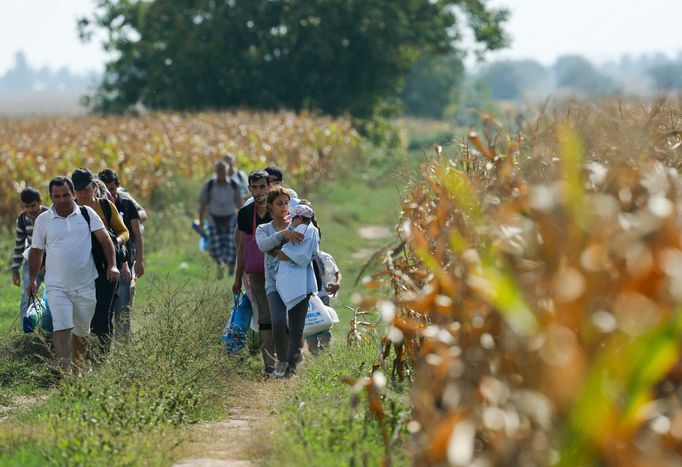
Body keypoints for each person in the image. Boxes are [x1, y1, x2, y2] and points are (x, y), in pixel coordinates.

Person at [28, 176, 120, 371]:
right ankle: (65, 371)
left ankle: (78, 368)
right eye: (57, 196)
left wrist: (112, 265)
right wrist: (32, 279)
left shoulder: (87, 214)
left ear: (73, 195)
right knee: (61, 326)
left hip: (86, 284)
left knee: (81, 331)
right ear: (51, 197)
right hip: (56, 286)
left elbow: (105, 241)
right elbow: (36, 251)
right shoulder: (43, 221)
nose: (62, 200)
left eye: (66, 195)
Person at [72, 168, 129, 352]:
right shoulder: (68, 209)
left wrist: (116, 242)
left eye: (86, 189)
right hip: (80, 269)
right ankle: (84, 355)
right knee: (82, 316)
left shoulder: (105, 206)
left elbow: (124, 231)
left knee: (103, 315)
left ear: (94, 186)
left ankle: (102, 358)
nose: (82, 193)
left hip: (106, 266)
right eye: (78, 190)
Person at [255, 188, 306, 377]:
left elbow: (307, 247)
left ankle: (291, 367)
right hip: (274, 283)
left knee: (293, 324)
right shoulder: (264, 229)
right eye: (279, 203)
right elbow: (263, 245)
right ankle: (282, 360)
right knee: (277, 320)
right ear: (270, 206)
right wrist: (283, 235)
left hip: (294, 283)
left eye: (286, 203)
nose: (284, 207)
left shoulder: (297, 224)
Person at [233, 170, 276, 375]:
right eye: (254, 187)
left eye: (262, 186)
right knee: (265, 317)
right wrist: (237, 277)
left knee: (281, 315)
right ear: (249, 188)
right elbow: (242, 247)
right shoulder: (245, 213)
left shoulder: (278, 208)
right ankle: (269, 366)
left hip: (281, 270)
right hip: (257, 272)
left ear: (269, 186)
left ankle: (286, 360)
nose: (258, 191)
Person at [272, 203, 319, 377]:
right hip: (303, 286)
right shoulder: (312, 231)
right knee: (296, 328)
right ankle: (291, 367)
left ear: (299, 218)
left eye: (293, 217)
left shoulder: (303, 231)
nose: (291, 221)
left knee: (291, 327)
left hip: (295, 284)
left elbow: (291, 255)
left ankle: (289, 366)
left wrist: (279, 252)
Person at [98, 168, 145, 336]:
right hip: (104, 263)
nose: (108, 193)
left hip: (126, 260)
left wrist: (140, 260)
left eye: (111, 189)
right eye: (105, 189)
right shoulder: (98, 205)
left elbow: (137, 235)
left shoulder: (126, 204)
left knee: (123, 309)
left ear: (117, 186)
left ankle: (123, 349)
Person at [199, 161, 242, 278]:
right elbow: (202, 204)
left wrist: (243, 220)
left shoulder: (234, 184)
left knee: (231, 245)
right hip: (214, 218)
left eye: (223, 170)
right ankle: (219, 266)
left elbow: (239, 203)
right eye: (219, 170)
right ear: (216, 171)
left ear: (227, 171)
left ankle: (231, 265)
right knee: (214, 246)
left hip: (230, 218)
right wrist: (201, 222)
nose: (221, 173)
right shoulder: (209, 185)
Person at [11, 187, 48, 318]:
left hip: (51, 262)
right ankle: (26, 330)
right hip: (31, 262)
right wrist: (15, 269)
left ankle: (53, 328)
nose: (30, 210)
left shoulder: (49, 215)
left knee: (54, 296)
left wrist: (45, 264)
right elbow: (19, 245)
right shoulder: (21, 219)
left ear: (40, 201)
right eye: (27, 206)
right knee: (28, 296)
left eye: (33, 205)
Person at [306, 250, 342, 355]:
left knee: (325, 324)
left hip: (323, 295)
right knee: (311, 324)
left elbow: (337, 272)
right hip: (308, 298)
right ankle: (313, 350)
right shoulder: (302, 257)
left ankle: (326, 350)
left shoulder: (325, 257)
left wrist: (337, 284)